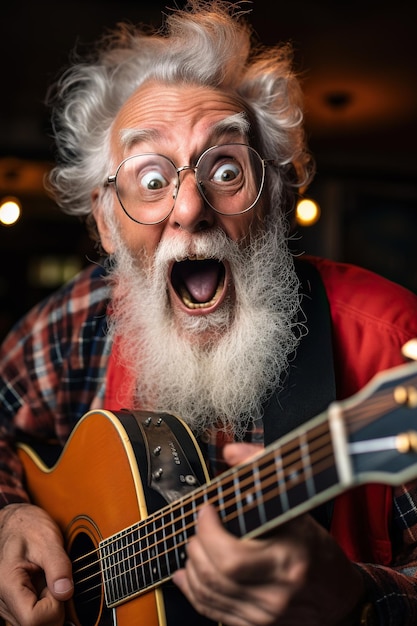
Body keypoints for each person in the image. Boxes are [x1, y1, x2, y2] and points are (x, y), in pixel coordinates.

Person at [0, 1, 417, 624]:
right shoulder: (72, 324)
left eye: (225, 169)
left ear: (273, 196)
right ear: (108, 223)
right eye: (150, 178)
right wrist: (10, 514)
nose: (189, 208)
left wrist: (358, 599)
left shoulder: (392, 337)